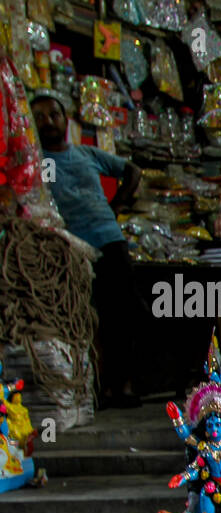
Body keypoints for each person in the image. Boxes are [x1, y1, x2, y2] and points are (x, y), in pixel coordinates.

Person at [31, 89, 144, 407]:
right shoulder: (37, 162)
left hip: (109, 240)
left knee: (122, 314)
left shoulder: (86, 154)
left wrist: (118, 203)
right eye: (39, 117)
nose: (48, 122)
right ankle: (99, 389)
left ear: (65, 119)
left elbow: (132, 171)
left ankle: (123, 386)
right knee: (86, 318)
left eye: (53, 114)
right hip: (70, 248)